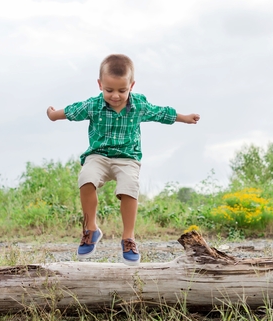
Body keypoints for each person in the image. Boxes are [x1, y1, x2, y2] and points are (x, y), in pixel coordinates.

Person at [47, 54, 200, 266]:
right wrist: (54, 115)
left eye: (122, 90)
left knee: (129, 187)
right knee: (86, 178)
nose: (115, 96)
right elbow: (74, 110)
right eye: (109, 90)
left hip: (127, 158)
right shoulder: (93, 105)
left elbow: (161, 113)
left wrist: (184, 118)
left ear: (132, 86)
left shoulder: (139, 105)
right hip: (98, 155)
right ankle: (91, 229)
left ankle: (128, 238)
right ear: (100, 85)